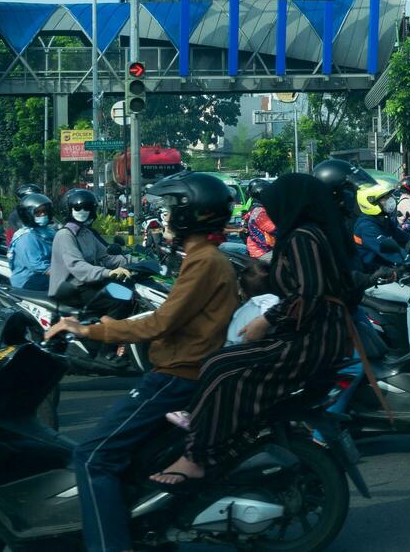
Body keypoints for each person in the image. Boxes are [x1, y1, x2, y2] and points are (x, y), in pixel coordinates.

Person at [52, 172, 239, 552]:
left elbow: (160, 322)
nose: (166, 219)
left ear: (193, 215)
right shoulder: (203, 258)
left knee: (91, 457)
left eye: (172, 211)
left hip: (175, 377)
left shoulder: (204, 262)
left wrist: (93, 332)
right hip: (180, 370)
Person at [150, 172, 357, 488]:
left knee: (221, 365)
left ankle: (197, 455)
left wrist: (266, 321)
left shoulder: (303, 237)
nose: (270, 210)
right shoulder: (312, 234)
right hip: (319, 333)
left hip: (311, 339)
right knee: (226, 364)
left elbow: (307, 294)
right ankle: (221, 435)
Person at [48, 189, 133, 312]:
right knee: (118, 301)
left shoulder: (86, 232)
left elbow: (106, 257)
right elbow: (77, 266)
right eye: (78, 208)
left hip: (87, 284)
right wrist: (107, 273)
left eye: (87, 208)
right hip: (70, 289)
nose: (83, 211)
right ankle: (105, 331)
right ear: (68, 210)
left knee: (128, 293)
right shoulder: (65, 235)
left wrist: (135, 261)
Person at [9, 193, 58, 292]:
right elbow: (36, 265)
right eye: (38, 212)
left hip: (46, 273)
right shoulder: (26, 237)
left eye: (44, 211)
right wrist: (62, 272)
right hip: (28, 279)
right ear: (28, 214)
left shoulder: (48, 231)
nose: (43, 214)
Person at [241, 178, 276, 259]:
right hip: (262, 251)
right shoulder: (261, 213)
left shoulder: (257, 209)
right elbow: (275, 229)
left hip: (260, 248)